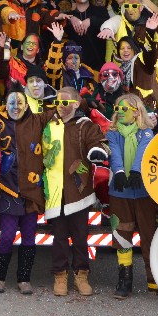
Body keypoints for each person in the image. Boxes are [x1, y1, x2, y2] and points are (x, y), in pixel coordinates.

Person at [42, 86, 108, 297]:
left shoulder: (85, 126)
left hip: (78, 190)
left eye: (65, 102)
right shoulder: (50, 124)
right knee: (59, 236)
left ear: (76, 103)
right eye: (58, 103)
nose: (61, 107)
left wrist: (96, 151)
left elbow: (98, 142)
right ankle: (60, 275)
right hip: (55, 190)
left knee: (80, 236)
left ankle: (81, 274)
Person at [0, 82, 49, 295]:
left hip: (31, 191)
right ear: (5, 105)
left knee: (29, 237)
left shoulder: (37, 120)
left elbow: (61, 110)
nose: (16, 106)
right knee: (6, 236)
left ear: (27, 104)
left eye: (20, 102)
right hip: (8, 188)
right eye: (11, 102)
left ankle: (24, 279)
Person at [106, 93, 158, 298]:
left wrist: (136, 170)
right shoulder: (113, 132)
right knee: (121, 232)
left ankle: (154, 278)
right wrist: (119, 172)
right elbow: (115, 151)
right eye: (117, 109)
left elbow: (145, 151)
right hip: (120, 191)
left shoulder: (146, 133)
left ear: (136, 112)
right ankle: (125, 279)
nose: (119, 112)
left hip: (144, 190)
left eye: (124, 109)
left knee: (149, 234)